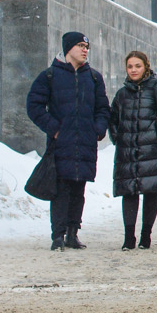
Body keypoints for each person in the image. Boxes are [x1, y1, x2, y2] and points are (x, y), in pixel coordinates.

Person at [27, 31, 111, 251]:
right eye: (81, 45)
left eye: (87, 46)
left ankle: (73, 233)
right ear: (68, 48)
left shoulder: (93, 77)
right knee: (61, 189)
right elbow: (34, 106)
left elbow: (103, 108)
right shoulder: (50, 76)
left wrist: (98, 129)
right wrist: (53, 128)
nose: (85, 50)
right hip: (61, 144)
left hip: (85, 143)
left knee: (78, 190)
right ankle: (58, 235)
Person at [109, 50, 157, 250]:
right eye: (130, 66)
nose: (133, 70)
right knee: (129, 192)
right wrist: (117, 136)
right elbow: (113, 117)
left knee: (151, 191)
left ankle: (145, 236)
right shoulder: (122, 94)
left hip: (152, 151)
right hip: (128, 150)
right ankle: (128, 237)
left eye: (137, 66)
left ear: (146, 67)